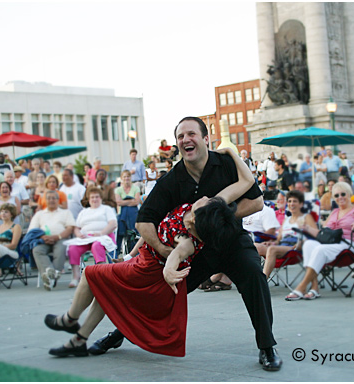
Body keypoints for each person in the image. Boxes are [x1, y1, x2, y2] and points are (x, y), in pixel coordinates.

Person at [88, 117, 282, 370]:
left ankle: (267, 347)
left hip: (232, 241)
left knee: (254, 276)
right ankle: (119, 334)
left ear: (205, 139)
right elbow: (144, 220)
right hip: (194, 251)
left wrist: (212, 218)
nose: (185, 140)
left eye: (191, 134)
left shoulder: (225, 163)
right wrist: (164, 250)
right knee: (160, 294)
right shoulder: (172, 179)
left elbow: (256, 202)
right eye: (180, 136)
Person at [45, 196, 242, 358]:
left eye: (207, 202)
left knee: (89, 273)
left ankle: (70, 319)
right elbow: (151, 229)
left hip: (146, 271)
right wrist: (129, 255)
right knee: (103, 288)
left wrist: (169, 271)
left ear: (197, 220)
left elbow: (176, 254)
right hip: (139, 260)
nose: (206, 197)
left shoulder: (187, 240)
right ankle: (79, 340)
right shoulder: (188, 209)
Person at [285, 182, 354, 300]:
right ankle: (314, 288)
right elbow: (323, 234)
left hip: (350, 245)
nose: (340, 197)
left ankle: (302, 287)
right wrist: (306, 228)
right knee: (308, 244)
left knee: (320, 249)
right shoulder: (334, 212)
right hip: (332, 244)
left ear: (349, 194)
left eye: (343, 194)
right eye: (337, 195)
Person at [64, 188, 117, 288]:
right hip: (86, 238)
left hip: (103, 236)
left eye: (97, 197)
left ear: (101, 198)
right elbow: (76, 227)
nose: (94, 199)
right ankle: (76, 277)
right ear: (89, 199)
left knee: (97, 246)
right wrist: (79, 234)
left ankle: (102, 275)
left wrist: (101, 233)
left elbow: (113, 224)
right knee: (73, 248)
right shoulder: (84, 212)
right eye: (92, 197)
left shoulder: (106, 209)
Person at [261, 190, 317, 278]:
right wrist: (271, 242)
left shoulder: (306, 217)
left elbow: (315, 235)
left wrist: (304, 234)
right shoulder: (286, 220)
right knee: (256, 247)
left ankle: (263, 279)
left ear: (301, 204)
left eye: (295, 201)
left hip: (295, 247)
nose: (292, 204)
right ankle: (251, 278)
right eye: (290, 201)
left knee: (272, 250)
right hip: (282, 247)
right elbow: (279, 239)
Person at [28, 190, 75, 290]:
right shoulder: (39, 214)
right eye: (49, 198)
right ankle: (50, 274)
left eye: (54, 198)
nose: (51, 200)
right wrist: (42, 237)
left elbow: (70, 228)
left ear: (58, 200)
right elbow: (32, 230)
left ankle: (50, 276)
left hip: (60, 238)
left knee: (61, 248)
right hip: (43, 240)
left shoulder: (65, 212)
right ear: (45, 200)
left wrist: (57, 237)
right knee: (36, 250)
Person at [0, 203, 22, 289]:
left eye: (6, 212)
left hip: (10, 252)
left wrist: (0, 247)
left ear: (11, 214)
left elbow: (14, 245)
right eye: (2, 212)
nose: (3, 214)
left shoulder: (16, 227)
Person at [115, 170, 141, 253]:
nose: (126, 178)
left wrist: (124, 202)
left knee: (127, 209)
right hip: (122, 214)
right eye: (124, 177)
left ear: (130, 177)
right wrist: (131, 200)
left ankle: (126, 232)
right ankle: (131, 231)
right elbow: (118, 202)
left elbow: (137, 202)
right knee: (126, 210)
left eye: (128, 176)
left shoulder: (136, 188)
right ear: (122, 178)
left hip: (132, 214)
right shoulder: (118, 189)